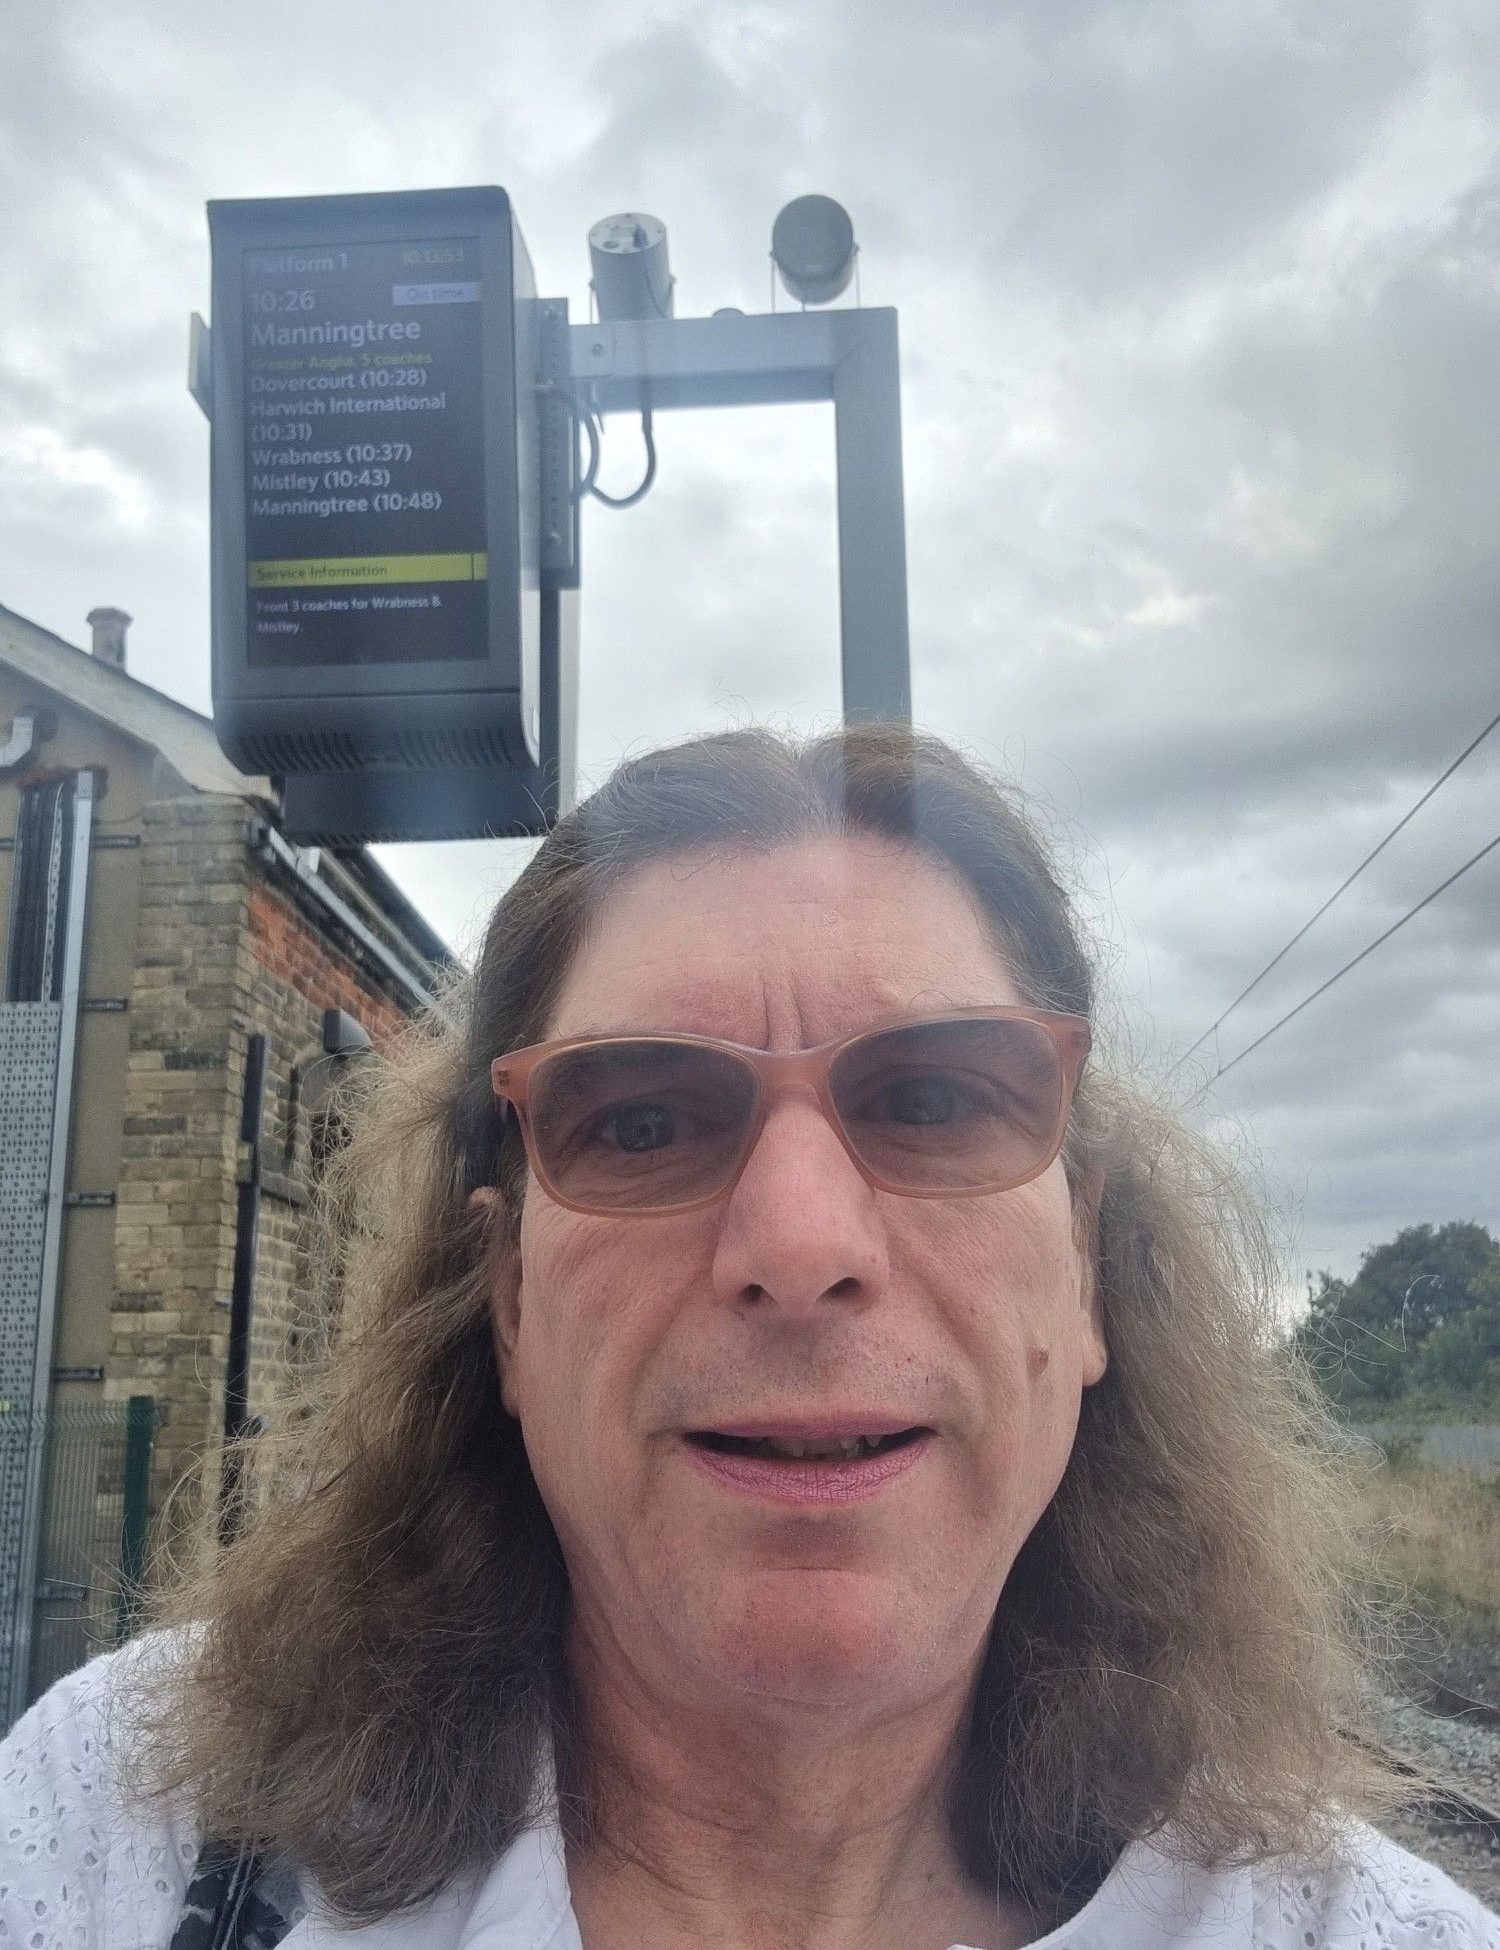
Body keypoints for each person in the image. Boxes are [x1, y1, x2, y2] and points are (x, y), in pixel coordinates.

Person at [3, 724, 1495, 1950]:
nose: (800, 1248)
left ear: (1090, 1278)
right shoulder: (125, 1839)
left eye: (928, 1101)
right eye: (642, 1120)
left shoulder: (1362, 1930)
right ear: (509, 1306)